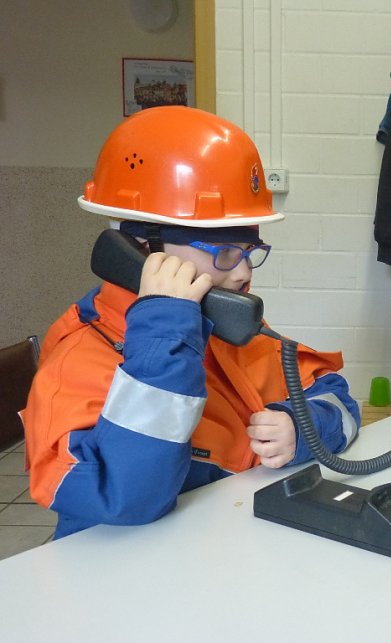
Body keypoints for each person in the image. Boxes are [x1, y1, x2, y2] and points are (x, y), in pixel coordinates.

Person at [22, 106, 360, 539]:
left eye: (249, 251)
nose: (242, 274)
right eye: (223, 252)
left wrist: (303, 427)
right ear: (143, 251)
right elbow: (126, 499)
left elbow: (339, 402)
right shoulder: (79, 360)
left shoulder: (226, 330)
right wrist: (164, 332)